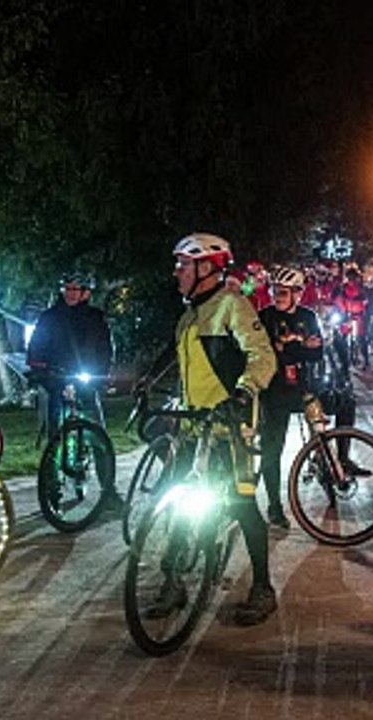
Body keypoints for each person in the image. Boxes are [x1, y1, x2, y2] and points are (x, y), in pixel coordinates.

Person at [163, 232, 278, 625]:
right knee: (175, 499)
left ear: (207, 267)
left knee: (243, 505)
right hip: (196, 426)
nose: (176, 271)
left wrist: (244, 393)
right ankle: (172, 579)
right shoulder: (188, 316)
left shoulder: (231, 305)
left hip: (231, 427)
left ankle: (263, 587)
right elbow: (188, 374)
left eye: (183, 264)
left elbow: (262, 356)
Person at [258, 267, 323, 530]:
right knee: (272, 449)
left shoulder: (308, 317)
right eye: (274, 291)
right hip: (275, 390)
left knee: (331, 420)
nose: (278, 296)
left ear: (297, 293)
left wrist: (288, 350)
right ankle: (274, 506)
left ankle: (331, 466)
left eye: (283, 292)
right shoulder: (264, 317)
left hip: (304, 386)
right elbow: (270, 357)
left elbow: (318, 354)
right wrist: (299, 349)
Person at [26, 272, 113, 432]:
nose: (70, 294)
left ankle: (99, 451)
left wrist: (103, 372)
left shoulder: (95, 317)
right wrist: (39, 369)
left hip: (85, 376)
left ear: (86, 293)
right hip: (56, 376)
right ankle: (55, 451)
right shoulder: (50, 317)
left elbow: (104, 348)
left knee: (93, 421)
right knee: (56, 417)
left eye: (75, 289)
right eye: (67, 289)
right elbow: (37, 345)